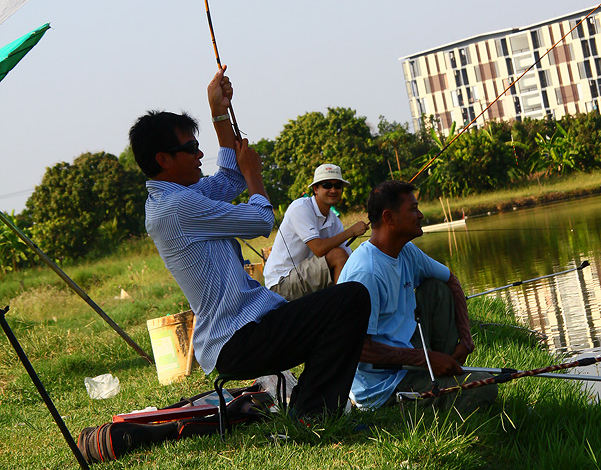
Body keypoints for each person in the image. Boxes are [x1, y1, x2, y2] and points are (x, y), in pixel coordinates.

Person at [128, 67, 370, 419]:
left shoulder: (176, 196)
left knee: (343, 304)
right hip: (237, 338)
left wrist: (219, 113)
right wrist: (255, 175)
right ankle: (312, 412)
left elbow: (228, 177)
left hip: (252, 325)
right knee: (350, 299)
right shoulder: (176, 207)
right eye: (191, 148)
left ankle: (310, 406)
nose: (200, 155)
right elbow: (260, 220)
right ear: (164, 160)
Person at [337, 179, 497, 412]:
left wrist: (466, 338)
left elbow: (450, 278)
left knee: (437, 287)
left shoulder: (406, 251)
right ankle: (435, 378)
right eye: (413, 209)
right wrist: (426, 358)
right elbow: (359, 349)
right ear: (389, 218)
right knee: (486, 387)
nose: (420, 215)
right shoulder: (366, 272)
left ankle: (444, 368)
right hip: (382, 388)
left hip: (409, 359)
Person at [263, 163, 369, 300]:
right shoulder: (300, 207)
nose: (333, 190)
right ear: (316, 189)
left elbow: (349, 260)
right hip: (281, 283)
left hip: (303, 278)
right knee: (337, 255)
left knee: (350, 265)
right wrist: (351, 232)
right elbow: (319, 249)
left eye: (338, 186)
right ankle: (343, 309)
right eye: (327, 185)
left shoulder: (333, 220)